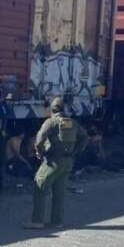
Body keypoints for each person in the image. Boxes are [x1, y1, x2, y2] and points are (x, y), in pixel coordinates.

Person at [24, 97, 88, 229]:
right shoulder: (72, 122)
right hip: (68, 161)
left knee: (40, 186)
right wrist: (75, 151)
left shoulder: (51, 122)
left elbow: (40, 140)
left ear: (52, 109)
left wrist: (39, 153)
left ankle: (37, 221)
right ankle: (57, 221)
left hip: (53, 161)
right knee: (59, 193)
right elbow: (84, 137)